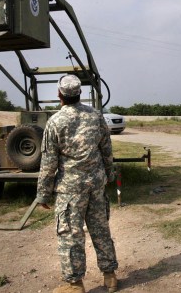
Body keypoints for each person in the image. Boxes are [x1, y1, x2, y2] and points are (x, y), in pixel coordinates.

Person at [35, 75, 119, 293]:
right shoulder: (96, 116)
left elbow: (48, 162)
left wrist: (43, 194)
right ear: (79, 93)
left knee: (71, 235)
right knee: (101, 229)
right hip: (96, 185)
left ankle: (75, 285)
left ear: (59, 95)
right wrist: (109, 175)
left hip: (70, 190)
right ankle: (110, 278)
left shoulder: (55, 122)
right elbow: (106, 150)